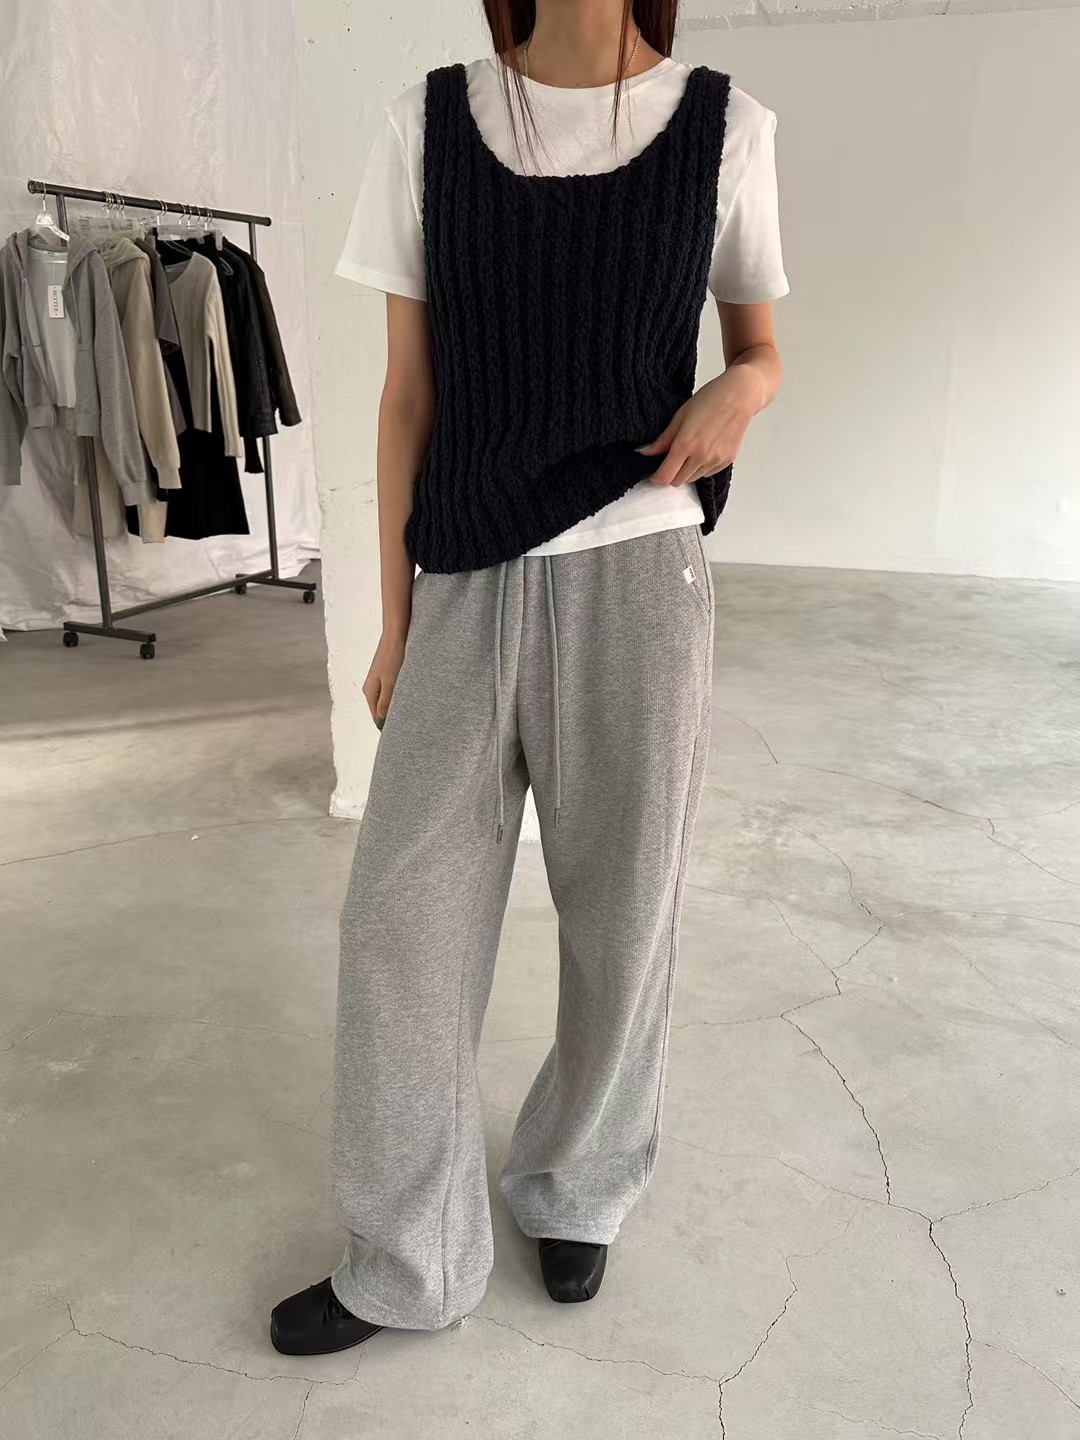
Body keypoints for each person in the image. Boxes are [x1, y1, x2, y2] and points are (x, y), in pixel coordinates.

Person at [271, 0, 787, 1356]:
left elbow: (760, 350)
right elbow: (408, 397)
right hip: (464, 577)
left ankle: (578, 1185)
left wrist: (747, 391)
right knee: (399, 927)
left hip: (640, 574)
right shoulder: (426, 124)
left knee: (625, 913)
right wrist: (394, 621)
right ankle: (406, 1260)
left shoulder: (728, 127)